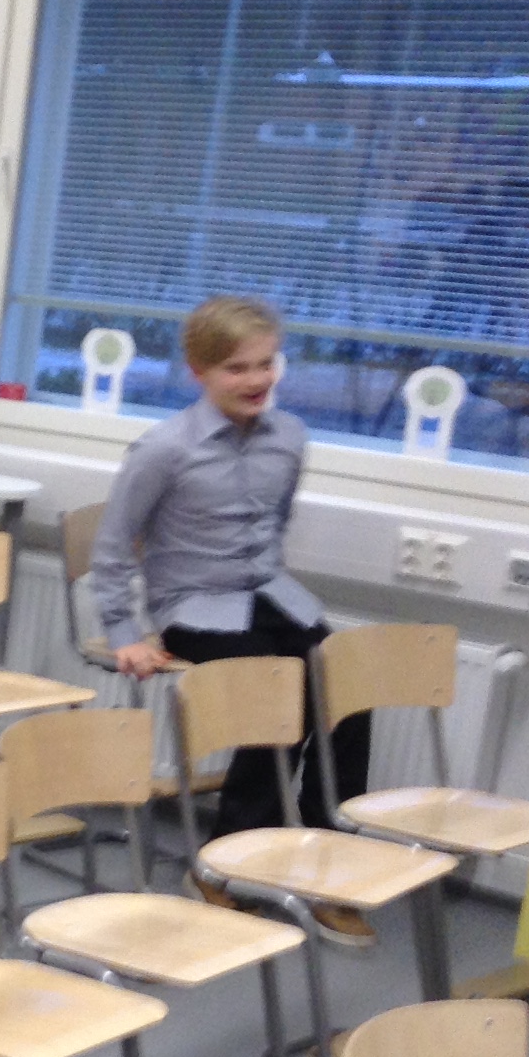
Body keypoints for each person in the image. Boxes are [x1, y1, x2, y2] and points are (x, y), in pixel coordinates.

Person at [91, 294, 368, 839]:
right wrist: (124, 632)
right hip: (192, 607)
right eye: (236, 368)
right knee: (277, 689)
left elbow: (275, 523)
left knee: (346, 682)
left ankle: (328, 837)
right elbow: (114, 543)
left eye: (265, 364)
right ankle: (236, 848)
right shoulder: (163, 449)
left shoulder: (289, 437)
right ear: (199, 372)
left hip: (268, 594)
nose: (256, 380)